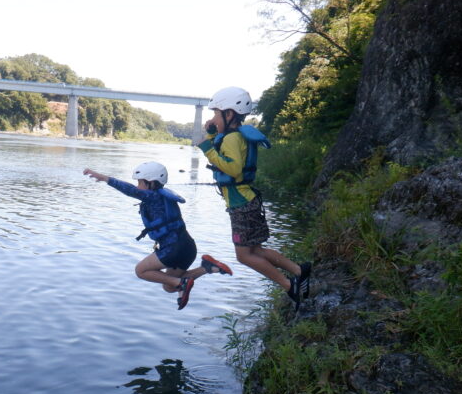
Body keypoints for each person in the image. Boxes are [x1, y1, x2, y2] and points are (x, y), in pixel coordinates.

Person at [197, 86, 311, 310]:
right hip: (248, 201)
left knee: (244, 256)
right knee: (255, 251)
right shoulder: (233, 135)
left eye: (216, 114)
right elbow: (223, 147)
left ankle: (289, 285)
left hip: (241, 205)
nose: (213, 118)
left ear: (229, 114)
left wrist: (207, 149)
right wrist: (211, 135)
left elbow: (233, 169)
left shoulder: (231, 139)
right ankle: (300, 270)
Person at [83, 161, 232, 310]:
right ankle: (208, 267)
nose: (137, 186)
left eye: (140, 183)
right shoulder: (162, 196)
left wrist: (105, 178)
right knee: (168, 286)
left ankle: (182, 284)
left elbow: (130, 190)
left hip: (174, 248)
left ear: (151, 183)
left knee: (141, 270)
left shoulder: (154, 197)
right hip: (187, 246)